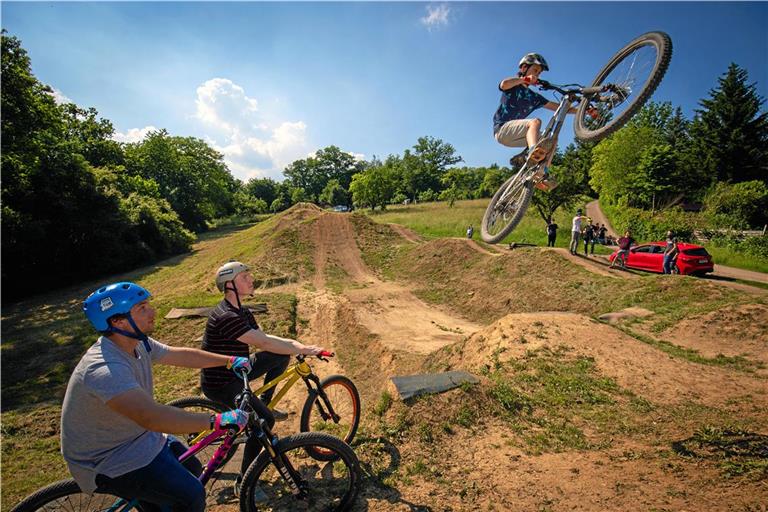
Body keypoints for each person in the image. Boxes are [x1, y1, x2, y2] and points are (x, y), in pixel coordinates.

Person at [61, 282, 252, 512]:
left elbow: (178, 355)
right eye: (142, 308)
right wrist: (216, 421)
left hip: (137, 439)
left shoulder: (137, 342)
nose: (153, 311)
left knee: (192, 467)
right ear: (117, 321)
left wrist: (228, 361)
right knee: (191, 496)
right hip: (107, 459)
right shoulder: (104, 368)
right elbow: (150, 417)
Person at [201, 261, 327, 492]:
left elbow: (263, 338)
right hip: (223, 382)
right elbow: (264, 342)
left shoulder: (242, 310)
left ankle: (264, 403)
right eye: (245, 277)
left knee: (279, 356)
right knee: (264, 422)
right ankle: (245, 482)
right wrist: (304, 349)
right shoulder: (226, 316)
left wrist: (297, 345)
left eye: (250, 276)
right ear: (229, 284)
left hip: (239, 369)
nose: (251, 280)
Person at [493, 53, 597, 192]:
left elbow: (560, 109)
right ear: (524, 67)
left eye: (539, 73)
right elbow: (504, 84)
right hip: (502, 129)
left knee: (552, 139)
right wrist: (524, 79)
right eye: (535, 70)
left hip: (516, 137)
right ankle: (531, 154)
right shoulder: (513, 86)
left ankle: (541, 172)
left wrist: (583, 111)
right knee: (535, 122)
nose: (537, 75)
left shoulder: (534, 97)